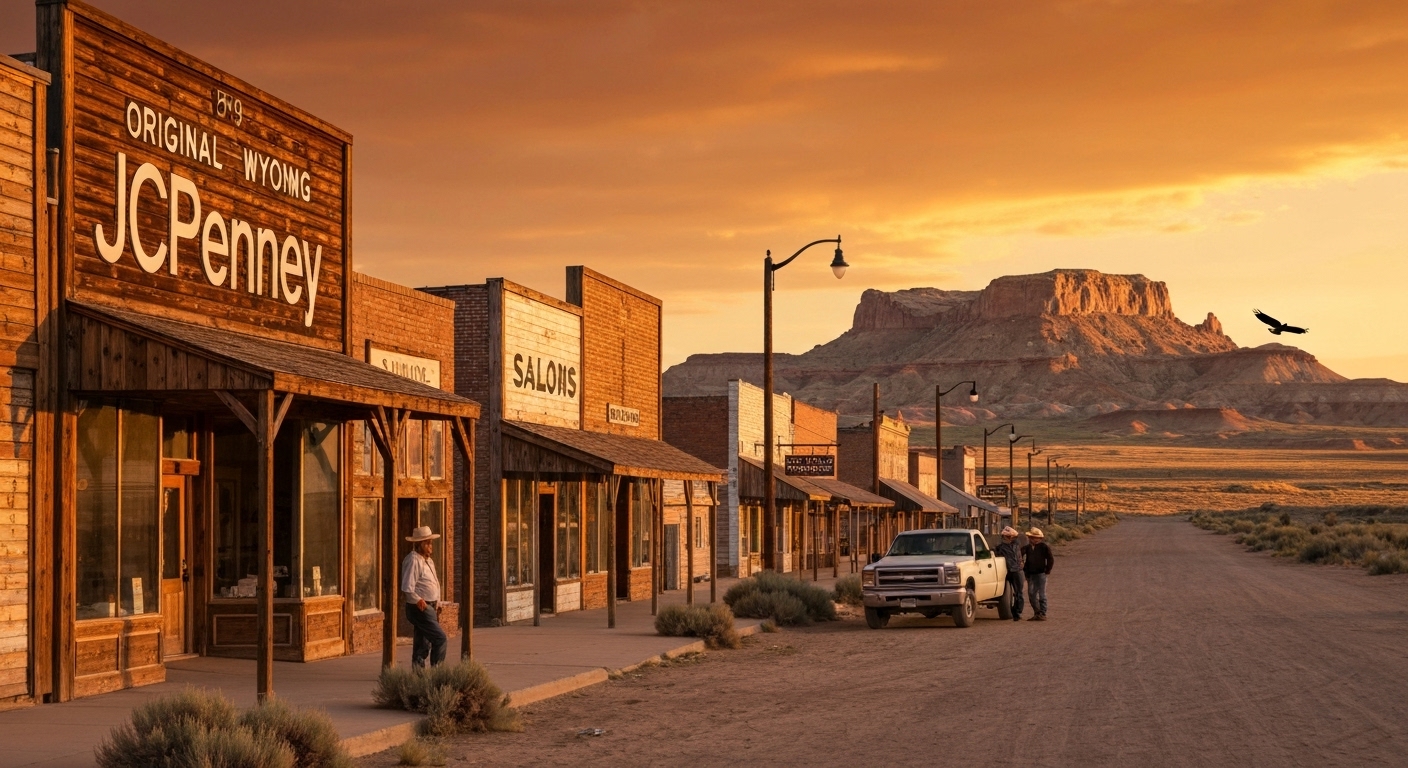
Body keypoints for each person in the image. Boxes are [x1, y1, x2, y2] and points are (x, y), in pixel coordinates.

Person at [401, 526, 447, 668]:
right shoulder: (414, 560)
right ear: (419, 544)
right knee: (440, 638)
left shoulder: (429, 561)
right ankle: (437, 671)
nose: (430, 546)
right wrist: (418, 600)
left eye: (430, 543)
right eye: (427, 543)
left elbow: (434, 583)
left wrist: (437, 602)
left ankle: (419, 675)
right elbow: (407, 586)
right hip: (421, 606)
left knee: (423, 642)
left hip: (430, 605)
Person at [1022, 527, 1054, 621]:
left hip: (1041, 573)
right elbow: (1019, 555)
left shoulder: (1044, 547)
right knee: (1031, 594)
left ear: (1038, 538)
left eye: (1032, 537)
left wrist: (1047, 570)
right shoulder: (1027, 548)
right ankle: (1037, 612)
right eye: (1030, 537)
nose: (1030, 539)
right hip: (1030, 574)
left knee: (1042, 594)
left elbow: (1050, 559)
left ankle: (1042, 613)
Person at [994, 526, 1025, 622]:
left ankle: (1017, 612)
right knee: (1010, 593)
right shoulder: (1003, 547)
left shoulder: (1015, 545)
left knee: (1018, 593)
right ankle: (1014, 612)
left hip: (1016, 571)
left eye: (1006, 536)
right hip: (1009, 571)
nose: (1004, 538)